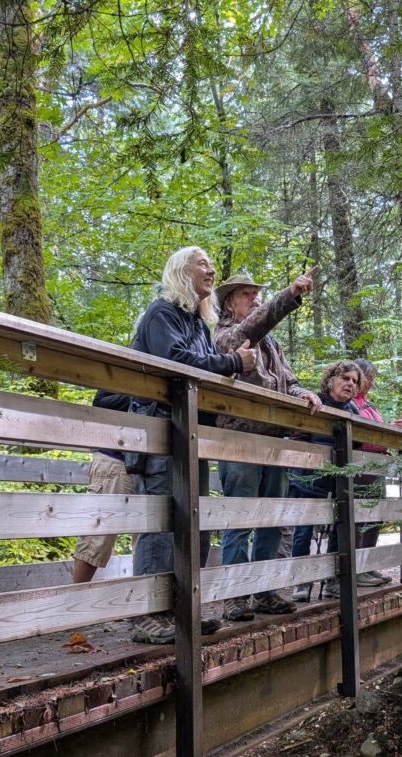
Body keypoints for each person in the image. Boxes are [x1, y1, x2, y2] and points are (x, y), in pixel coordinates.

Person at [129, 246, 256, 645]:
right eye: (202, 262)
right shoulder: (161, 313)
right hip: (160, 430)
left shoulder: (198, 324)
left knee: (194, 523)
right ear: (180, 272)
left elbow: (203, 371)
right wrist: (234, 362)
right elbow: (176, 361)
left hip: (192, 435)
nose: (211, 269)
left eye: (211, 263)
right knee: (162, 523)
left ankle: (183, 609)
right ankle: (148, 616)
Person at [213, 267, 321, 621]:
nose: (255, 298)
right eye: (246, 294)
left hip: (275, 440)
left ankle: (263, 591)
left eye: (257, 293)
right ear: (230, 303)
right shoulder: (227, 335)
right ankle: (234, 595)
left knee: (272, 519)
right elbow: (253, 327)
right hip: (239, 440)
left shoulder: (272, 344)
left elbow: (286, 380)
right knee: (240, 519)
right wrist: (289, 295)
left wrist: (302, 392)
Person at [288, 360, 363, 602]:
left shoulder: (353, 410)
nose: (350, 384)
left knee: (339, 529)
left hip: (339, 480)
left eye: (354, 381)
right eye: (345, 378)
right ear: (331, 380)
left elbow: (358, 443)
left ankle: (332, 580)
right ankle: (301, 582)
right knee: (303, 531)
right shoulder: (314, 401)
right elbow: (297, 435)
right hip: (308, 479)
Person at [350, 358, 402, 587]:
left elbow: (378, 434)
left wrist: (393, 429)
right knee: (359, 517)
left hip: (377, 467)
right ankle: (357, 568)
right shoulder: (350, 404)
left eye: (374, 379)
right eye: (369, 378)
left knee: (375, 516)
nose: (371, 383)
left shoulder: (370, 406)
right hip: (358, 467)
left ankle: (369, 563)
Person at [71, 390, 135, 583]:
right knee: (97, 539)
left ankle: (145, 606)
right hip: (114, 460)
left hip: (151, 464)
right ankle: (76, 605)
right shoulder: (120, 373)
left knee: (147, 539)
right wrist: (142, 396)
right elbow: (100, 403)